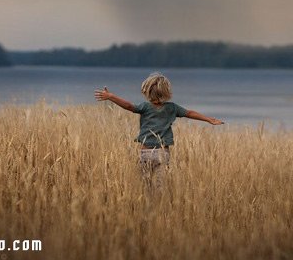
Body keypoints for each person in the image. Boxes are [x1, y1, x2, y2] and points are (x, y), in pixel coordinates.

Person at [94, 72, 224, 186]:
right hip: (163, 154)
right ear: (166, 92)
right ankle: (158, 209)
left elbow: (128, 106)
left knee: (145, 186)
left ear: (146, 91)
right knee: (159, 187)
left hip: (145, 153)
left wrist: (111, 96)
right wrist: (208, 119)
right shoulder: (172, 108)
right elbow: (189, 113)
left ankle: (148, 209)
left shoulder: (145, 107)